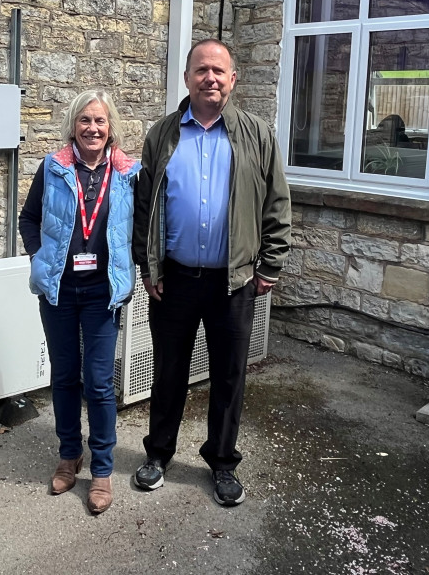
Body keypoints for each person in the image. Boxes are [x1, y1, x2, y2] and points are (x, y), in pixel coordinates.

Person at [132, 38, 291, 506]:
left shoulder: (257, 134)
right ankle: (158, 454)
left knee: (228, 377)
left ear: (233, 79)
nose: (211, 78)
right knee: (168, 374)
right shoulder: (162, 135)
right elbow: (146, 209)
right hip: (175, 280)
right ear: (186, 78)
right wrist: (148, 267)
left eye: (220, 71)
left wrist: (271, 264)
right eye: (202, 70)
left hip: (234, 282)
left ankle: (222, 462)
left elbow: (277, 204)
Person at [19, 90, 140, 515]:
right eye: (85, 120)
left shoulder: (127, 174)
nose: (92, 128)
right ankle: (70, 455)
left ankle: (102, 470)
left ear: (111, 129)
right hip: (59, 290)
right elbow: (28, 218)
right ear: (74, 124)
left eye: (100, 122)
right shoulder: (52, 168)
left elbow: (141, 228)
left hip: (102, 293)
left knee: (101, 381)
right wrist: (38, 255)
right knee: (66, 375)